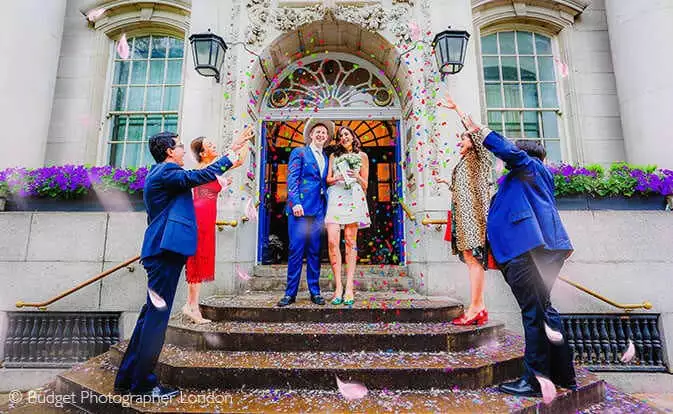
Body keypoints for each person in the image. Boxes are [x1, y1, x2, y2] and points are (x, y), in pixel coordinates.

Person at [114, 128, 253, 397]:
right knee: (156, 320)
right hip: (164, 251)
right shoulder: (166, 172)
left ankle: (127, 380)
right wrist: (233, 147)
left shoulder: (163, 174)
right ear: (169, 151)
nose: (182, 151)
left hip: (162, 251)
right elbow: (200, 176)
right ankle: (143, 385)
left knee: (147, 318)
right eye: (178, 146)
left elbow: (198, 177)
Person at [458, 111, 576, 404]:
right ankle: (562, 374)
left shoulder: (530, 167)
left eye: (513, 154)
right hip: (531, 253)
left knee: (534, 315)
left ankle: (535, 381)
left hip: (528, 253)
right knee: (544, 312)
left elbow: (510, 153)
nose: (505, 161)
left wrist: (479, 131)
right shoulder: (525, 178)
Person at [434, 96, 493, 325]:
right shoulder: (467, 161)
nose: (459, 142)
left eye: (462, 139)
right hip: (464, 218)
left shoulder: (480, 156)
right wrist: (446, 183)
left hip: (475, 218)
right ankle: (479, 306)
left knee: (474, 259)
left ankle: (476, 307)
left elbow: (477, 132)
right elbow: (466, 189)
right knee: (470, 258)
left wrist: (457, 107)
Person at [182, 137, 246, 324]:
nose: (214, 145)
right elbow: (227, 162)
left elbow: (239, 160)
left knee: (201, 260)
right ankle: (192, 306)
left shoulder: (214, 169)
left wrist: (245, 141)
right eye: (209, 145)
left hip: (207, 217)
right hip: (199, 217)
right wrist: (236, 144)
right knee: (197, 259)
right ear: (202, 154)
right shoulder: (203, 169)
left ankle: (192, 305)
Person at [277, 119, 333, 307]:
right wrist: (295, 203)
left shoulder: (326, 157)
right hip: (300, 211)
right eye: (317, 131)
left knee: (314, 252)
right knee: (296, 251)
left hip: (318, 211)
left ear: (326, 137)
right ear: (310, 135)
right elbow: (292, 178)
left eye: (323, 133)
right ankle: (289, 294)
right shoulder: (299, 152)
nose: (320, 134)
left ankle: (315, 292)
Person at [324, 126, 370, 306]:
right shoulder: (333, 156)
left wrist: (356, 176)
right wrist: (337, 178)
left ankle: (349, 286)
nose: (344, 137)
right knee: (332, 242)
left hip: (354, 197)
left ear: (352, 137)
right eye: (341, 136)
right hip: (336, 196)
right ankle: (338, 287)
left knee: (351, 242)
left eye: (346, 134)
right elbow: (328, 179)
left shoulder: (363, 156)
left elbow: (366, 184)